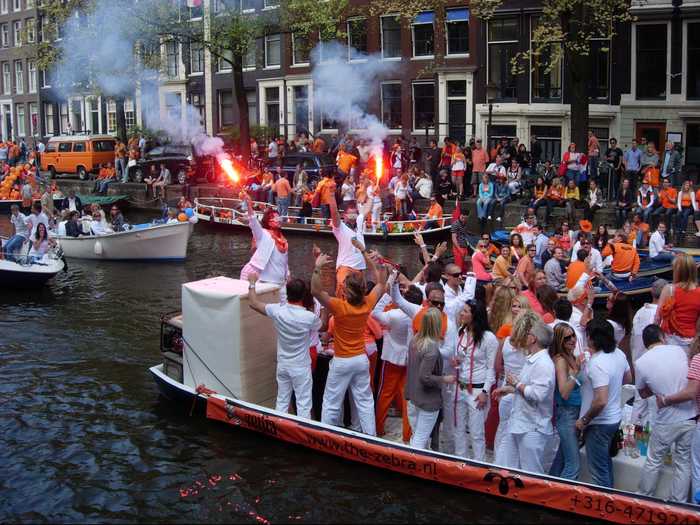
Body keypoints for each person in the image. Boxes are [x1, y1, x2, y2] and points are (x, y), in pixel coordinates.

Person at [311, 245, 386, 436]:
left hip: (342, 360)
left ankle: (328, 437)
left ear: (346, 289)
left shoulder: (339, 307)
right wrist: (372, 259)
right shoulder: (367, 303)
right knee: (365, 401)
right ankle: (371, 437)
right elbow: (381, 282)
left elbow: (315, 290)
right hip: (361, 360)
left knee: (331, 402)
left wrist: (318, 266)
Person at [635, 325, 696, 502]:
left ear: (645, 343)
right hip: (690, 415)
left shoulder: (641, 362)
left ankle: (645, 498)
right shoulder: (678, 350)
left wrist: (658, 390)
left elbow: (643, 393)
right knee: (683, 462)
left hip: (666, 419)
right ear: (662, 337)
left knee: (654, 460)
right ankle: (679, 503)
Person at [247, 276, 321, 420]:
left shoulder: (277, 311)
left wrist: (251, 283)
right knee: (303, 405)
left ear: (288, 293)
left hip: (283, 365)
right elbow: (322, 326)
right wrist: (323, 307)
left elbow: (254, 303)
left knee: (281, 401)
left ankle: (278, 430)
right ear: (303, 295)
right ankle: (302, 436)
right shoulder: (308, 317)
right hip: (300, 367)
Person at [576, 318, 632, 488]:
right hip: (614, 419)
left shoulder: (597, 364)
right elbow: (628, 379)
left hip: (599, 423)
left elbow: (600, 401)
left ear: (592, 339)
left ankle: (604, 508)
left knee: (599, 472)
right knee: (605, 464)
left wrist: (584, 420)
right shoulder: (619, 354)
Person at [493, 316, 555, 473]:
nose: (525, 336)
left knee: (530, 472)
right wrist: (509, 389)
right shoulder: (533, 359)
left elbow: (537, 394)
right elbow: (528, 387)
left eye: (528, 334)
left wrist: (516, 384)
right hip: (519, 422)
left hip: (532, 428)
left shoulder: (544, 364)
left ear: (533, 339)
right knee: (504, 464)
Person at [372, 285, 423, 442]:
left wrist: (387, 296)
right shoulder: (420, 313)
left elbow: (374, 314)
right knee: (406, 398)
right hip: (410, 360)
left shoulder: (393, 315)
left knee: (385, 394)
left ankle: (378, 428)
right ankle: (407, 435)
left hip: (392, 358)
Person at [405, 307, 456, 449]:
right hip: (427, 400)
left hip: (413, 397)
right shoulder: (432, 349)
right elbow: (425, 377)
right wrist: (444, 379)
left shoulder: (414, 340)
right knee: (420, 440)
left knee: (416, 436)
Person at [453, 300, 498, 460]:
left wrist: (485, 392)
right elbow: (460, 356)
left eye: (465, 311)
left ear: (475, 315)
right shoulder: (461, 331)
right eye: (462, 311)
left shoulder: (489, 338)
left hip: (478, 390)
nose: (461, 314)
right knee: (458, 428)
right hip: (460, 387)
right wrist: (457, 360)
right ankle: (460, 462)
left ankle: (479, 466)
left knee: (476, 432)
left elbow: (491, 368)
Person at [549, 323, 583, 480]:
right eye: (567, 338)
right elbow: (563, 392)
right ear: (559, 341)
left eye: (573, 335)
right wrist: (575, 373)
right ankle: (560, 499)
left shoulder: (572, 357)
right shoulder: (560, 360)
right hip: (567, 415)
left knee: (561, 460)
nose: (572, 340)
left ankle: (548, 489)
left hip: (575, 414)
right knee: (573, 465)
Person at [239, 192, 288, 290]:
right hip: (265, 282)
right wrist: (249, 204)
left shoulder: (283, 239)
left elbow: (284, 261)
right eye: (274, 218)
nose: (278, 220)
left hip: (280, 283)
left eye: (278, 217)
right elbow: (253, 221)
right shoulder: (263, 234)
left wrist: (288, 274)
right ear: (268, 222)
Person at [655, 254, 700, 352]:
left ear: (677, 271)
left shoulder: (669, 289)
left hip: (669, 339)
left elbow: (657, 318)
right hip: (690, 341)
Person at [451, 203, 470, 273]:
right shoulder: (455, 224)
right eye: (463, 218)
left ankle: (462, 275)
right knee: (458, 266)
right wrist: (459, 249)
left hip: (464, 246)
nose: (464, 219)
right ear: (460, 215)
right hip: (458, 248)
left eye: (466, 218)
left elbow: (464, 235)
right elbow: (454, 238)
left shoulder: (465, 223)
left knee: (463, 264)